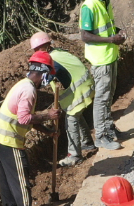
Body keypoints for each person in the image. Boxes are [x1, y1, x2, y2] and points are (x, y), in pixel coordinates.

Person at [0, 53, 60, 206]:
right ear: (42, 72)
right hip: (9, 140)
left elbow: (30, 119)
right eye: (49, 74)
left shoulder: (23, 85)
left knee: (6, 178)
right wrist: (48, 115)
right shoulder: (29, 90)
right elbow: (24, 119)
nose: (49, 78)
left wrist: (48, 132)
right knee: (20, 179)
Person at [28, 30, 94, 166]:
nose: (35, 52)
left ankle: (75, 155)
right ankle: (87, 142)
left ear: (42, 47)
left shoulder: (52, 59)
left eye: (35, 49)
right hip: (85, 84)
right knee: (76, 114)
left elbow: (45, 78)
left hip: (80, 89)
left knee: (71, 119)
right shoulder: (56, 52)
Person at [78, 0, 125, 151]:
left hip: (110, 56)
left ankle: (108, 128)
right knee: (102, 98)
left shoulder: (104, 1)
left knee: (109, 94)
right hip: (100, 60)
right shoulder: (89, 6)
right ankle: (101, 136)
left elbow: (105, 26)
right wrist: (111, 39)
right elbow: (85, 35)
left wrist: (116, 33)